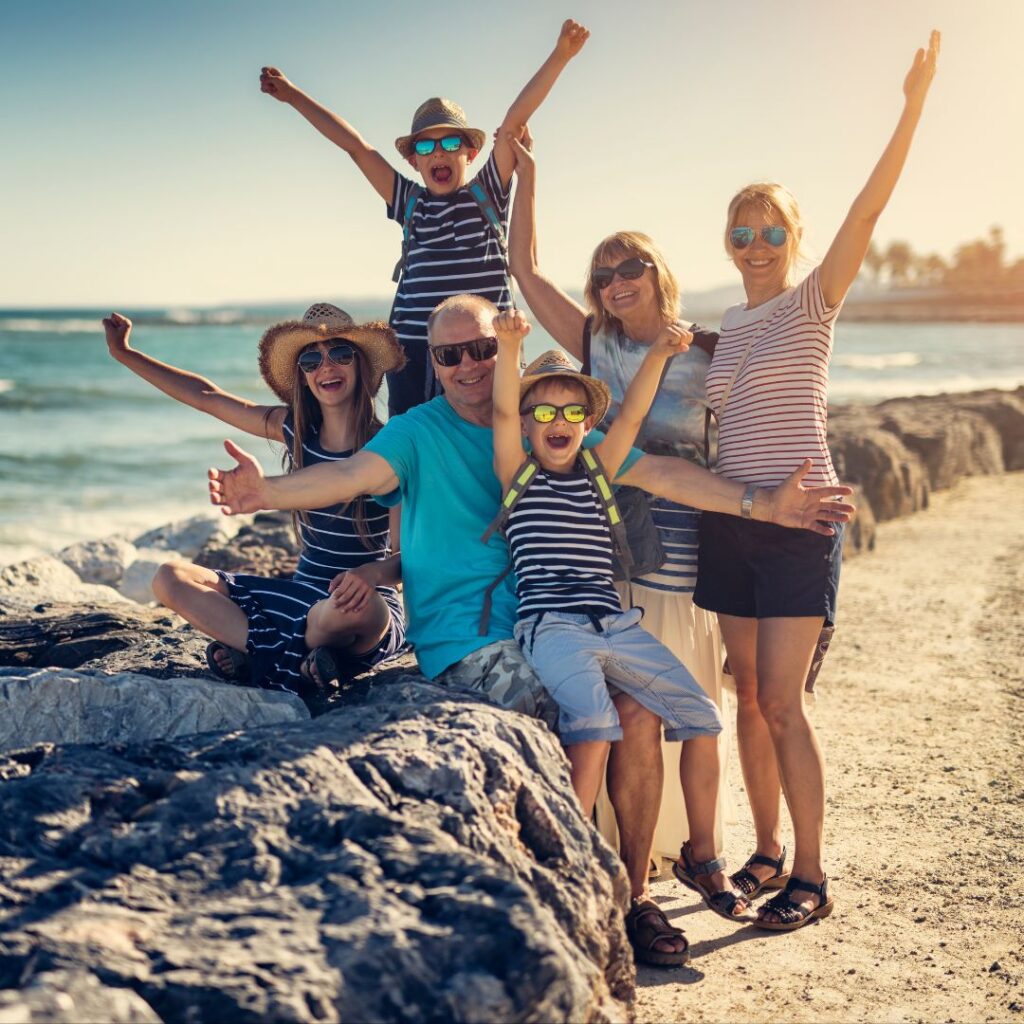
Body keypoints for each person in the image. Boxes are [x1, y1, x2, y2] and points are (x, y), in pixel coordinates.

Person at [206, 292, 854, 963]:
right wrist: (269, 493)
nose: (469, 365)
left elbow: (655, 471)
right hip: (470, 638)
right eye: (451, 354)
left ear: (502, 347)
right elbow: (348, 475)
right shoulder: (416, 432)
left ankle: (630, 897)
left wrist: (762, 503)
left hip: (558, 623)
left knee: (636, 711)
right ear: (435, 362)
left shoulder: (551, 424)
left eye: (483, 348)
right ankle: (574, 890)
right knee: (568, 716)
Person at [694, 32, 941, 931]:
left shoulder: (812, 302)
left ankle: (813, 873)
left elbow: (870, 213)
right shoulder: (724, 318)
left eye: (771, 232)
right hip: (733, 524)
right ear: (728, 242)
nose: (755, 244)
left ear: (793, 240)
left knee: (787, 705)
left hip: (801, 525)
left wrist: (910, 108)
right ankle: (763, 849)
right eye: (741, 232)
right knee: (745, 694)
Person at [505, 132, 747, 915]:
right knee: (631, 712)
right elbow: (522, 270)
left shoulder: (708, 351)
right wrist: (527, 174)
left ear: (660, 273)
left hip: (688, 546)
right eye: (602, 274)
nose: (614, 283)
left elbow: (751, 428)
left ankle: (703, 853)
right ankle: (623, 865)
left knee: (694, 703)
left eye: (629, 267)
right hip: (611, 555)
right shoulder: (591, 344)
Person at [258, 19, 589, 416]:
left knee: (492, 442)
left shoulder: (486, 194)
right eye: (427, 146)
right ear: (413, 161)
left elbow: (513, 122)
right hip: (413, 351)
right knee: (412, 448)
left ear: (469, 153)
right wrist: (294, 96)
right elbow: (357, 149)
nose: (439, 153)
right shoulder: (410, 202)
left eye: (451, 142)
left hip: (487, 347)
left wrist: (560, 55)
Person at [102, 303, 407, 701]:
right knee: (168, 578)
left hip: (360, 603)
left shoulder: (388, 449)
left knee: (355, 611)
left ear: (361, 365)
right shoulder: (296, 431)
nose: (326, 367)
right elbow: (206, 396)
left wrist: (368, 576)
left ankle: (261, 652)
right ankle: (302, 660)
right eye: (311, 360)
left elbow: (403, 560)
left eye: (341, 354)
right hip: (301, 596)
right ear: (302, 376)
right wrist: (125, 354)